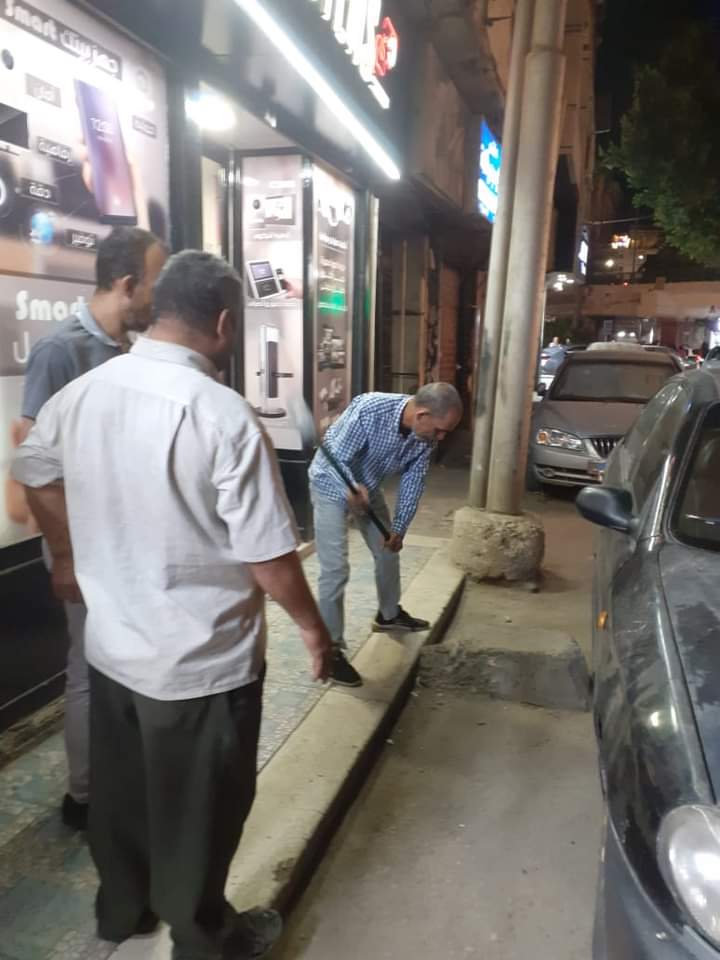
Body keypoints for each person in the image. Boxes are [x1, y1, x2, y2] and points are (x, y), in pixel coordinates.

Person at [13, 250, 332, 959]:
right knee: (201, 814)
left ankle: (125, 910)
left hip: (112, 653)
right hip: (200, 667)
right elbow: (268, 557)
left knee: (121, 800)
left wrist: (65, 555)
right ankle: (204, 938)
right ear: (223, 322)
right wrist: (314, 631)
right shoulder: (223, 415)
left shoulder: (85, 392)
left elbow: (32, 469)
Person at [12, 226, 167, 830]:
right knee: (89, 668)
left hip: (126, 538)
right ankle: (85, 796)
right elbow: (32, 459)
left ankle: (121, 776)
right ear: (127, 284)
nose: (160, 298)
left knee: (126, 666)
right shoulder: (61, 351)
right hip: (80, 543)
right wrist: (65, 555)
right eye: (155, 283)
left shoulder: (132, 351)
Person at [309, 383, 463, 687]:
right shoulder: (370, 409)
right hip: (330, 485)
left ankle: (388, 615)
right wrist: (351, 488)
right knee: (335, 569)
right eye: (439, 430)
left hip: (368, 486)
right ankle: (332, 652)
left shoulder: (424, 438)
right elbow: (334, 459)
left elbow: (413, 482)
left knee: (388, 549)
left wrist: (399, 529)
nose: (441, 438)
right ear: (422, 414)